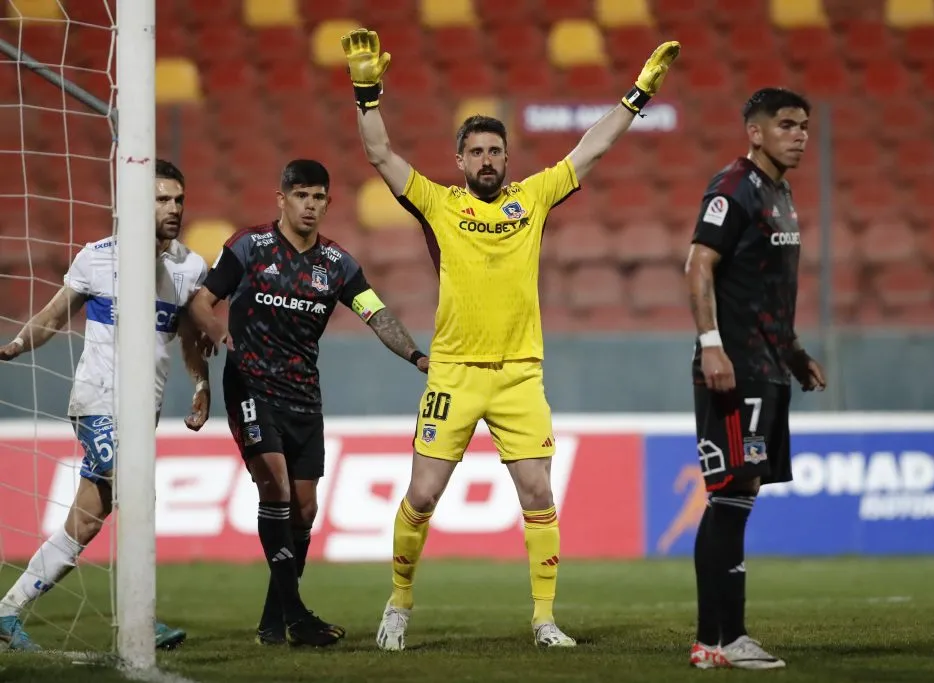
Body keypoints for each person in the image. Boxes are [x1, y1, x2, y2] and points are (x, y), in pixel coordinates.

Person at [338, 27, 679, 650]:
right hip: (454, 373)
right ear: (461, 160)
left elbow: (591, 149)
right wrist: (367, 95)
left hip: (520, 373)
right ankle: (400, 601)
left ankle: (545, 619)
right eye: (478, 152)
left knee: (539, 494)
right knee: (422, 494)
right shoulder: (438, 204)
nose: (489, 160)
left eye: (497, 150)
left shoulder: (535, 197)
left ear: (506, 159)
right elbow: (382, 156)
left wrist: (634, 97)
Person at [188, 159, 429, 647]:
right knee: (273, 484)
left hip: (304, 396)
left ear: (328, 203)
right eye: (301, 195)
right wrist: (218, 331)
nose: (310, 205)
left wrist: (417, 356)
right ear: (282, 199)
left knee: (303, 509)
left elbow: (376, 313)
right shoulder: (248, 247)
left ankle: (273, 622)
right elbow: (199, 301)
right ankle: (296, 612)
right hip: (252, 388)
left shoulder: (336, 266)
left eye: (319, 197)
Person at [0, 159, 210, 651]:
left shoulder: (189, 267)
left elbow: (191, 340)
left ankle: (7, 612)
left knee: (87, 520)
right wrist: (14, 346)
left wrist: (202, 386)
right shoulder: (96, 258)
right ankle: (139, 617)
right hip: (97, 401)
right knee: (135, 490)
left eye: (178, 199)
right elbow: (53, 317)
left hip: (144, 411)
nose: (173, 208)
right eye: (161, 199)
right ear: (138, 204)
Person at [684, 88, 826, 670]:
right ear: (755, 131)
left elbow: (768, 292)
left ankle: (716, 640)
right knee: (731, 495)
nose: (799, 135)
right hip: (733, 369)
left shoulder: (782, 193)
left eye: (804, 126)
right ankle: (720, 639)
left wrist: (793, 352)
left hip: (767, 368)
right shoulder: (733, 187)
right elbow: (698, 264)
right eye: (787, 124)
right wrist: (712, 345)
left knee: (734, 496)